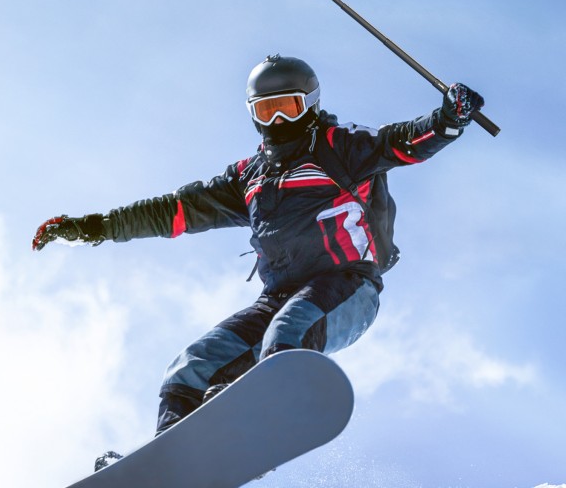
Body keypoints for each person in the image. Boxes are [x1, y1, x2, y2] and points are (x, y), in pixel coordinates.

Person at [32, 54, 484, 468]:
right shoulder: (250, 178)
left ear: (310, 104)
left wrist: (449, 119)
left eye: (288, 107)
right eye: (267, 110)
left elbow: (402, 143)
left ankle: (256, 427)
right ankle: (171, 456)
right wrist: (91, 227)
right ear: (252, 113)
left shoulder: (341, 148)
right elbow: (170, 211)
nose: (279, 120)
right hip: (280, 295)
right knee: (192, 365)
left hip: (348, 286)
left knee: (285, 336)